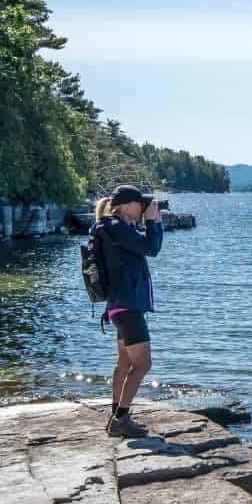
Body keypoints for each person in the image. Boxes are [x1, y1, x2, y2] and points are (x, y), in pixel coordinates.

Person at [93, 184, 163, 436]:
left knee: (124, 362)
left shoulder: (113, 228)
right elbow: (152, 249)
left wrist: (147, 222)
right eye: (139, 203)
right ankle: (120, 420)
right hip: (128, 306)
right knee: (143, 365)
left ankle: (116, 413)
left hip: (120, 306)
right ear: (123, 205)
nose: (143, 208)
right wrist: (154, 223)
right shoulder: (115, 228)